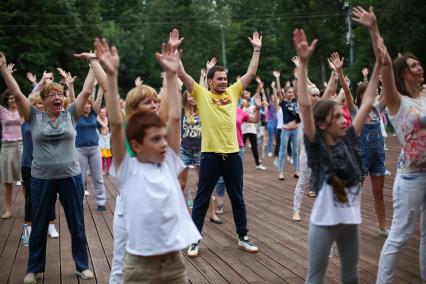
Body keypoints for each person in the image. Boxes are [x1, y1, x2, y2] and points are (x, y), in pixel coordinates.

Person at [97, 36, 201, 284]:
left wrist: (172, 74)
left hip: (173, 264)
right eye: (156, 140)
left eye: (163, 139)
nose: (164, 144)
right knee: (119, 266)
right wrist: (111, 77)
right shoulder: (128, 169)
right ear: (136, 145)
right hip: (139, 263)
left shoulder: (167, 162)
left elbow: (174, 117)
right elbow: (114, 122)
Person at [293, 27, 384, 283]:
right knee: (315, 276)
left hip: (350, 221)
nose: (343, 120)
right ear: (322, 124)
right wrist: (303, 65)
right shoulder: (316, 146)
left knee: (351, 275)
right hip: (324, 223)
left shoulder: (349, 138)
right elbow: (304, 106)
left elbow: (366, 103)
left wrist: (379, 64)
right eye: (336, 117)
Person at [0, 52, 96, 284]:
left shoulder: (70, 115)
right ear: (42, 100)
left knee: (77, 224)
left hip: (71, 177)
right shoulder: (34, 116)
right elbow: (17, 94)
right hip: (41, 178)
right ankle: (34, 269)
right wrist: (3, 69)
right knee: (39, 223)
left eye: (60, 94)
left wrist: (93, 62)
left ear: (63, 99)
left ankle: (82, 266)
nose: (57, 96)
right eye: (51, 94)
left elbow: (85, 91)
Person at [352, 6, 426, 283]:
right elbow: (383, 64)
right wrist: (374, 30)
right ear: (403, 73)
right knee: (400, 235)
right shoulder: (396, 101)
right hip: (411, 176)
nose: (419, 68)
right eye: (413, 65)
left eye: (419, 64)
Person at [173, 28, 261, 257]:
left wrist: (257, 49)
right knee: (202, 199)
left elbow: (251, 72)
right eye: (219, 79)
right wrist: (175, 51)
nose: (224, 81)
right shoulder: (202, 94)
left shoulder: (233, 92)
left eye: (225, 79)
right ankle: (194, 240)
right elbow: (182, 75)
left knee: (237, 198)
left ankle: (243, 237)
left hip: (233, 154)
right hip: (210, 155)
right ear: (210, 81)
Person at [21, 92, 59, 238]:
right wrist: (41, 82)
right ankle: (28, 229)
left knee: (50, 196)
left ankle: (51, 225)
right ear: (32, 105)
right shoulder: (26, 118)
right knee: (30, 197)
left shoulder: (50, 119)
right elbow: (20, 98)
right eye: (38, 103)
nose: (41, 106)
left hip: (46, 164)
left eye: (43, 103)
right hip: (28, 164)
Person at [74, 89, 107, 211]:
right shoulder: (76, 116)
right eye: (85, 103)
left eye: (89, 103)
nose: (87, 105)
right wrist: (71, 86)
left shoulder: (94, 114)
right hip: (80, 150)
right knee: (81, 178)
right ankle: (80, 203)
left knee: (98, 177)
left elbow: (98, 98)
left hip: (94, 149)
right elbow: (73, 99)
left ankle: (101, 202)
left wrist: (100, 88)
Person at [0, 88, 22, 219]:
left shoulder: (22, 110)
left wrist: (41, 81)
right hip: (7, 147)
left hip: (21, 145)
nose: (12, 99)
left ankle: (28, 209)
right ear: (6, 100)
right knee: (7, 181)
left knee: (25, 180)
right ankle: (8, 209)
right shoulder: (2, 112)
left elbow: (32, 95)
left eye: (14, 96)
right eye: (10, 97)